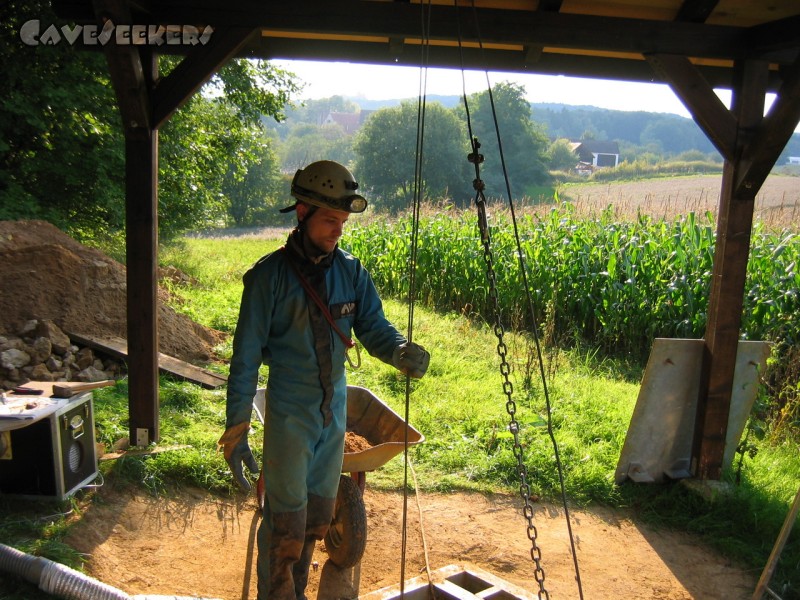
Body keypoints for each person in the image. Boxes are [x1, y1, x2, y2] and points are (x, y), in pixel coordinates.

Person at [218, 160, 430, 600]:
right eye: (330, 220)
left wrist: (399, 350)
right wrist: (237, 430)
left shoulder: (350, 272)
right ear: (302, 213)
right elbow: (244, 361)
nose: (338, 230)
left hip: (333, 411)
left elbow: (373, 326)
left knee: (316, 514)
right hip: (289, 414)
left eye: (343, 222)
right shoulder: (267, 279)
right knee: (284, 522)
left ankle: (296, 589)